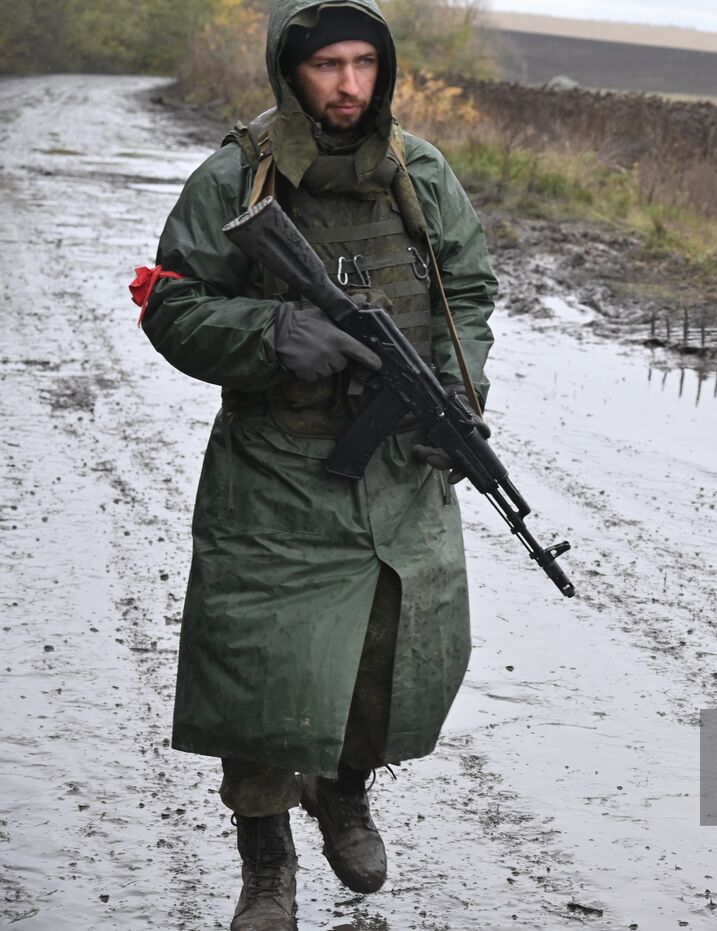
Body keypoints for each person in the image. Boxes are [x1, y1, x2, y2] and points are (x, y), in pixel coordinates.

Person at [138, 1, 496, 928]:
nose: (348, 85)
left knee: (389, 659)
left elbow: (468, 287)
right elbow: (169, 303)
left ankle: (343, 790)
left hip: (397, 471)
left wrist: (457, 395)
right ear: (289, 72)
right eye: (327, 65)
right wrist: (272, 331)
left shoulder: (421, 173)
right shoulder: (234, 178)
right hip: (276, 471)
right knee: (264, 674)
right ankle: (266, 862)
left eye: (364, 65)